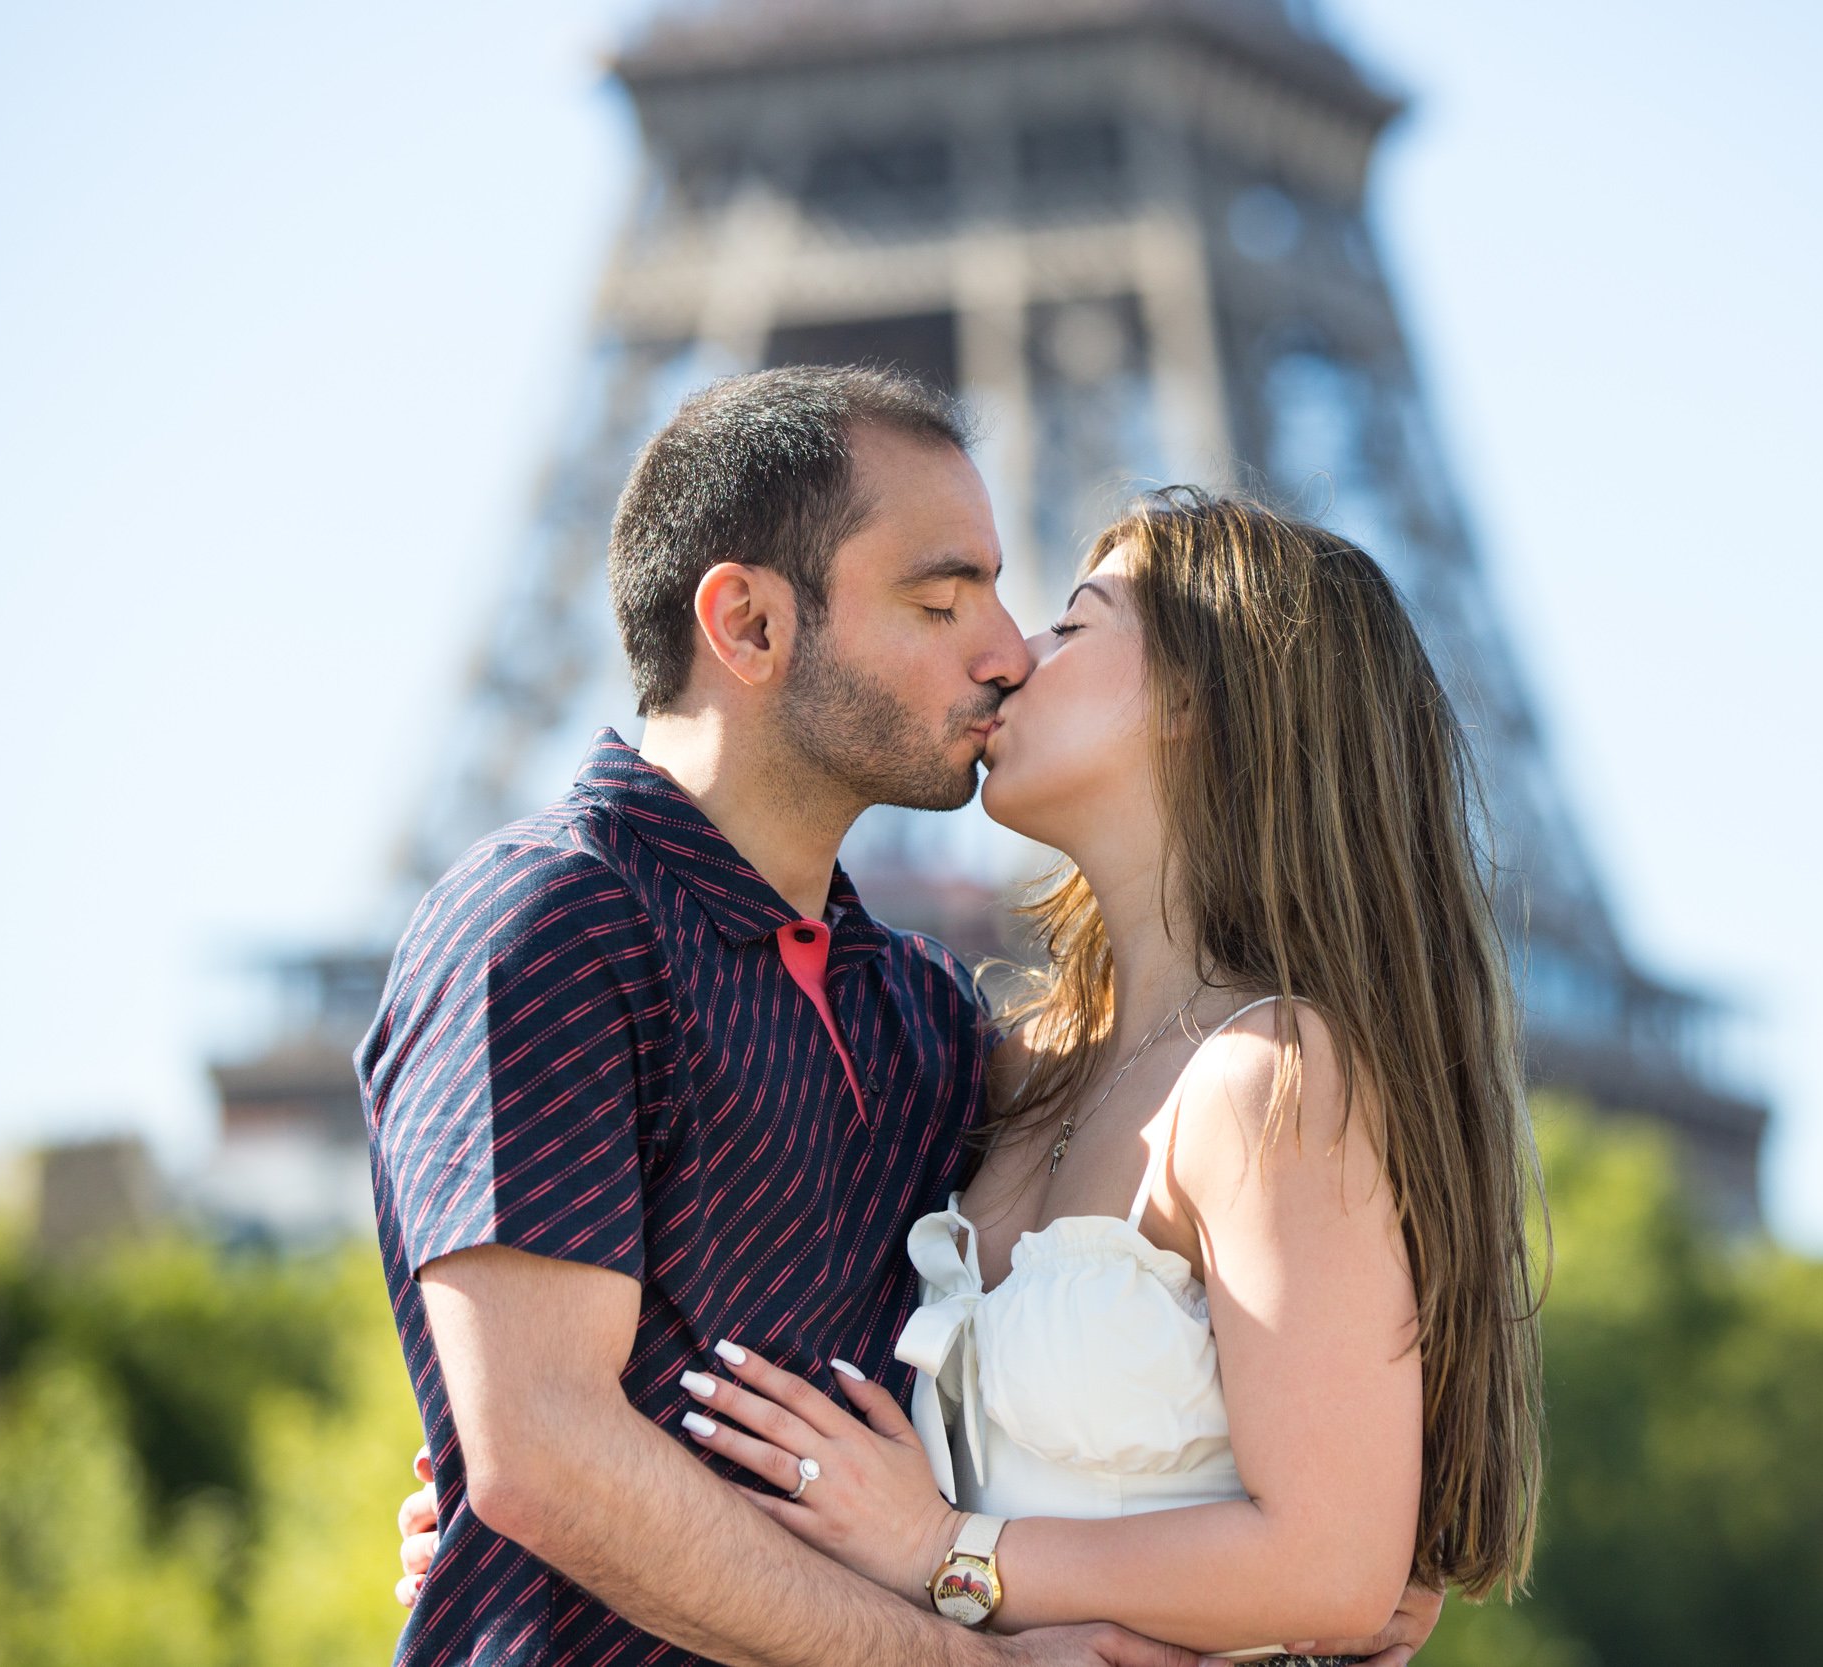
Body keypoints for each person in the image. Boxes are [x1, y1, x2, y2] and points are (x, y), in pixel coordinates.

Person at [361, 365, 1449, 1667]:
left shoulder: (932, 1029)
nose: (1004, 654)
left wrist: (1305, 1569)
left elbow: (1315, 1526)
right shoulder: (549, 926)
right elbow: (542, 1460)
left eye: (1028, 606)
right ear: (751, 629)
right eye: (943, 601)